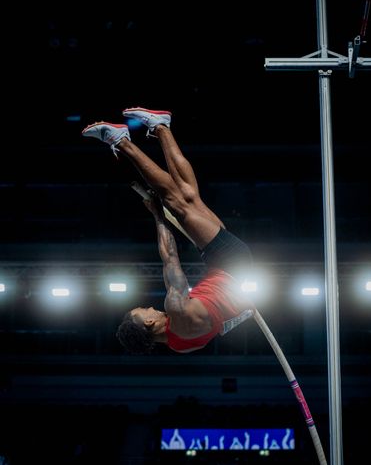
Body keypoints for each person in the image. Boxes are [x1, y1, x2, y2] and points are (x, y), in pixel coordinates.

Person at [82, 107, 254, 354]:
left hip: (230, 267)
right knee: (174, 201)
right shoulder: (175, 307)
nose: (149, 307)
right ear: (149, 323)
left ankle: (162, 127)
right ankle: (122, 141)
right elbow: (170, 257)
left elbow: (219, 327)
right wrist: (158, 215)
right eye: (143, 310)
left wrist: (241, 310)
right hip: (230, 262)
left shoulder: (180, 346)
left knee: (188, 197)